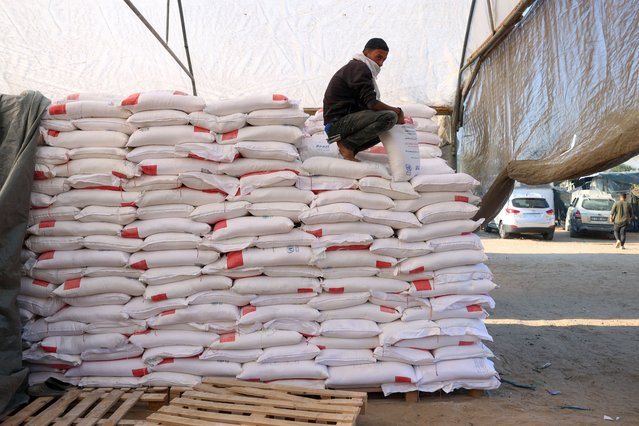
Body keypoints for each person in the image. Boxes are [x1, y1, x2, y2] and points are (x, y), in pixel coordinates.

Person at [323, 38, 405, 161]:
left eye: (384, 59)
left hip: (344, 124)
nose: (381, 63)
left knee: (391, 125)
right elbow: (372, 104)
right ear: (366, 53)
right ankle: (347, 146)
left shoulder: (360, 67)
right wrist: (397, 111)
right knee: (389, 117)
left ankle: (350, 150)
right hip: (336, 125)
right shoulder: (359, 68)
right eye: (378, 57)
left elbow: (367, 104)